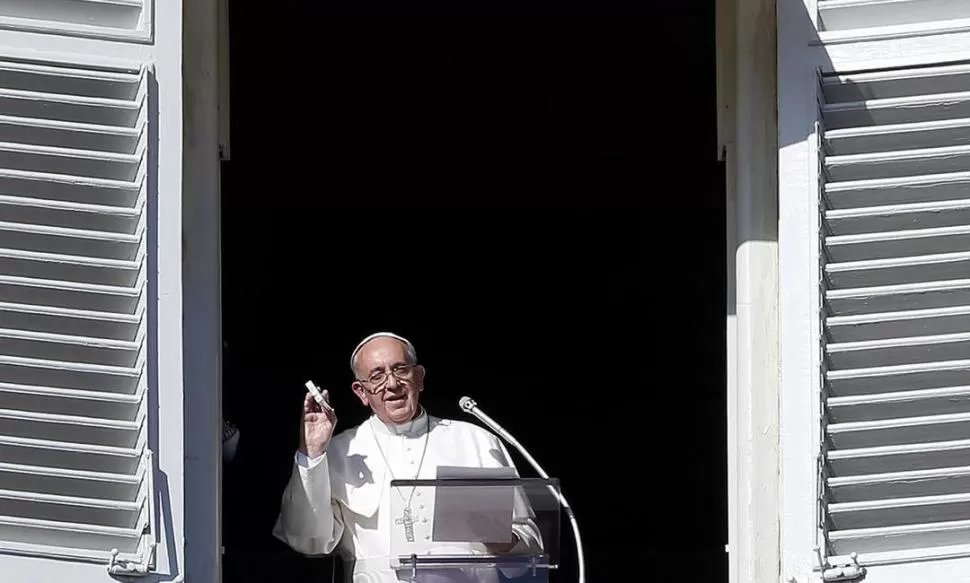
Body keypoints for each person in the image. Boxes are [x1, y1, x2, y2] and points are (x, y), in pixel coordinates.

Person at [273, 332, 542, 583]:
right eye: (376, 376)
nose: (391, 384)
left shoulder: (476, 440)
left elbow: (530, 541)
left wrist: (505, 541)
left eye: (400, 369)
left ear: (420, 377)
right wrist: (312, 454)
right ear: (361, 392)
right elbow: (307, 541)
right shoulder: (339, 451)